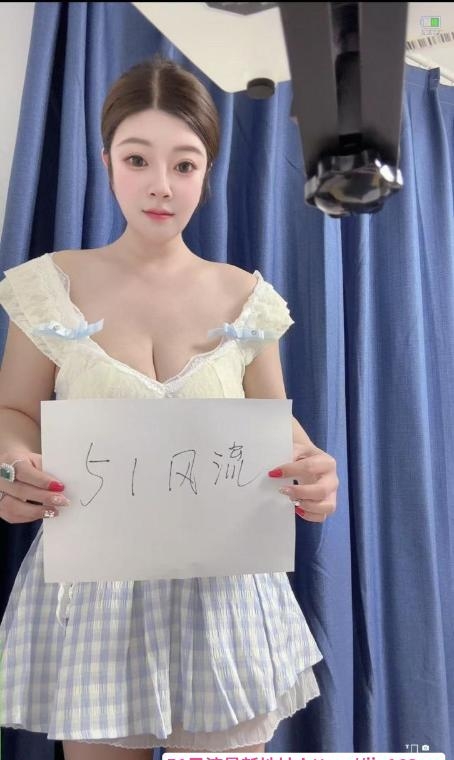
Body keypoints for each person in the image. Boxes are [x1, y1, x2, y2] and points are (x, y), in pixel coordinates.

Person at [0, 56, 339, 759]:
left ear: (206, 173)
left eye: (184, 164)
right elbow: (14, 411)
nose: (161, 184)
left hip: (225, 593)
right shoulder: (50, 285)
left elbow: (272, 421)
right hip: (95, 592)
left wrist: (311, 464)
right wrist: (12, 466)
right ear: (107, 163)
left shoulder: (245, 298)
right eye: (138, 159)